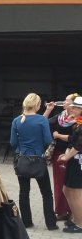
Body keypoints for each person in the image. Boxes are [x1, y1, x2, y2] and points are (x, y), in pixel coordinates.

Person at [10, 93, 55, 230]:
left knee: (24, 192)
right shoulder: (42, 120)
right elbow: (48, 140)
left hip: (22, 160)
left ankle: (26, 222)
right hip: (38, 160)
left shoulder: (17, 120)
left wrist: (22, 149)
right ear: (37, 105)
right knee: (46, 193)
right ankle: (51, 224)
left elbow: (13, 143)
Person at [44, 93, 78, 221]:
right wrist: (48, 110)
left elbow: (75, 139)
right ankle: (62, 211)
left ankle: (74, 212)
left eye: (66, 100)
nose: (64, 102)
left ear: (74, 105)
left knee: (73, 186)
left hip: (73, 154)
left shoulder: (78, 120)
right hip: (59, 154)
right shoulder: (60, 116)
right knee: (59, 184)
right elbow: (43, 123)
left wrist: (58, 136)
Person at [59, 96, 82, 233]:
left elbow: (79, 145)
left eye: (74, 107)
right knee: (66, 190)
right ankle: (75, 218)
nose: (71, 109)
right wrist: (66, 153)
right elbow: (73, 140)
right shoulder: (78, 122)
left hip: (79, 161)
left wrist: (66, 156)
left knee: (76, 192)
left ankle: (80, 223)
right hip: (74, 159)